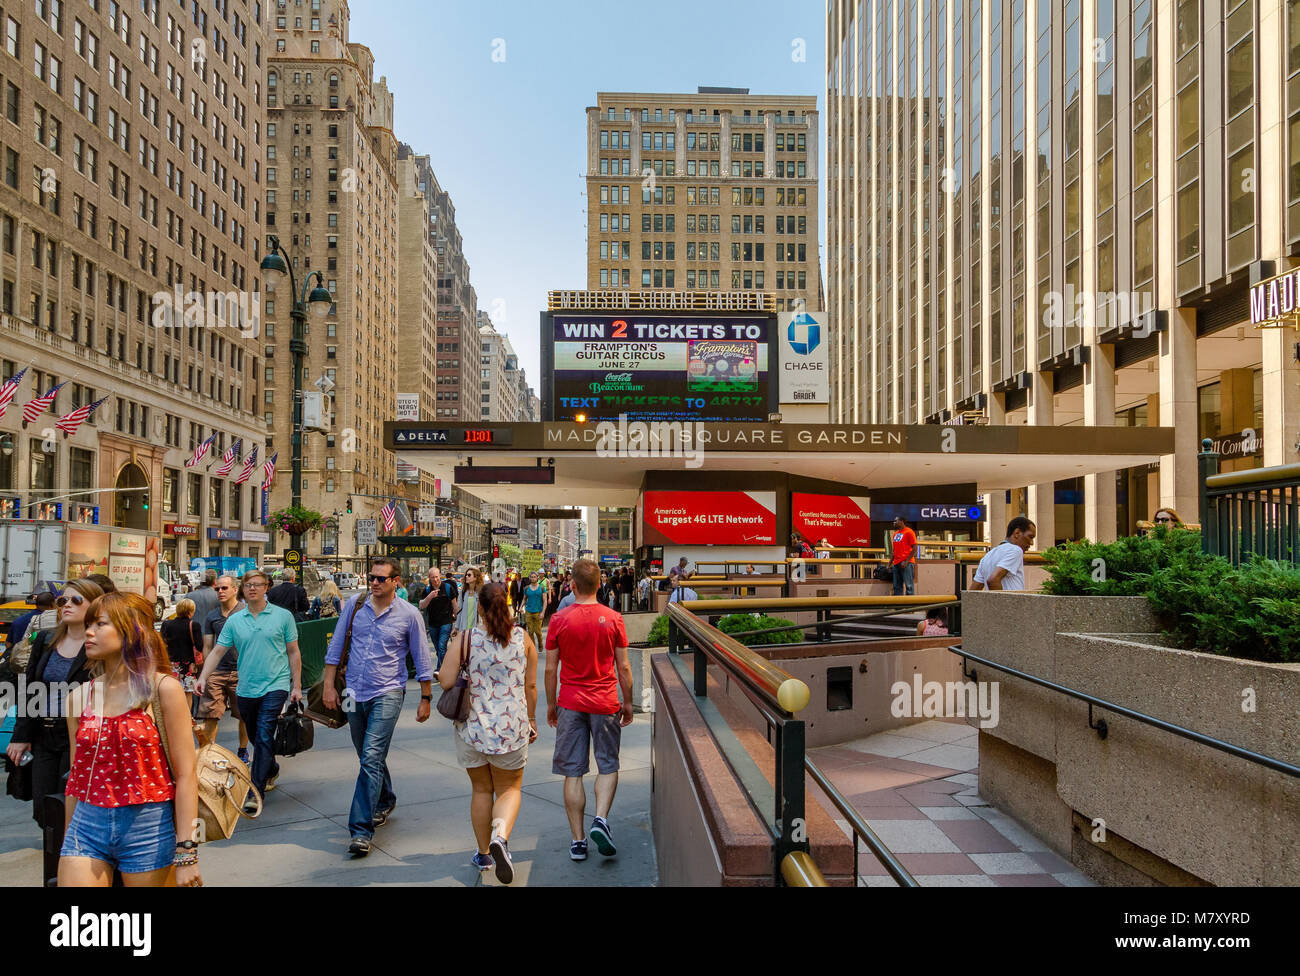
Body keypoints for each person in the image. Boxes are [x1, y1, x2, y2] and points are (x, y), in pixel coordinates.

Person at [59, 591, 202, 887]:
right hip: (87, 823)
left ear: (131, 631)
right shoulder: (78, 698)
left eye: (100, 624)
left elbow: (187, 775)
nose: (89, 631)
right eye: (89, 624)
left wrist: (187, 852)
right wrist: (67, 837)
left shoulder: (163, 690)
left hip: (148, 825)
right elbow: (77, 776)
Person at [323, 557, 433, 857]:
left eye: (381, 578)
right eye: (372, 577)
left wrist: (425, 698)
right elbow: (335, 648)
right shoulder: (355, 606)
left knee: (371, 756)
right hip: (353, 692)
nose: (373, 582)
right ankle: (384, 799)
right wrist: (329, 685)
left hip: (388, 692)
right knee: (366, 754)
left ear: (395, 581)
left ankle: (360, 830)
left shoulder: (409, 615)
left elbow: (422, 658)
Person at [439, 581, 538, 884]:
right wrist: (531, 719)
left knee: (481, 790)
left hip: (473, 729)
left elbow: (445, 680)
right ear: (507, 605)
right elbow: (531, 686)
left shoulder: (465, 639)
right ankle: (500, 836)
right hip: (511, 729)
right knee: (510, 789)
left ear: (479, 608)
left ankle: (484, 854)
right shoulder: (523, 638)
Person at [544, 558, 634, 862]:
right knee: (607, 764)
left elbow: (550, 668)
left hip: (570, 701)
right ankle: (601, 819)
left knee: (573, 771)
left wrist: (550, 705)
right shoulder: (613, 618)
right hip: (605, 700)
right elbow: (623, 666)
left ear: (571, 585)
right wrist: (630, 702)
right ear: (599, 585)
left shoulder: (558, 619)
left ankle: (578, 841)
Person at [195, 569, 302, 807]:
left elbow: (293, 652)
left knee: (264, 734)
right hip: (246, 688)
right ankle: (271, 766)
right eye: (248, 585)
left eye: (257, 584)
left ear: (267, 588)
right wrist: (203, 676)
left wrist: (297, 685)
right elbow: (218, 651)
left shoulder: (283, 616)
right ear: (242, 590)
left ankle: (255, 791)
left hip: (276, 684)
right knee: (256, 736)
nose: (252, 588)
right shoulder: (235, 620)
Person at [5, 579, 104, 832]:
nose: (67, 605)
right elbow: (28, 687)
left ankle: (68, 863)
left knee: (71, 806)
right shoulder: (47, 639)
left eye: (76, 600)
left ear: (94, 605)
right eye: (63, 601)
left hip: (79, 735)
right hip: (43, 734)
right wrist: (21, 736)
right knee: (43, 807)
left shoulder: (99, 643)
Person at [197, 576, 249, 760]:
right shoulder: (212, 616)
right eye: (217, 589)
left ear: (235, 589)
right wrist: (204, 673)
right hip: (217, 671)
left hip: (241, 672)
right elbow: (207, 646)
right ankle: (208, 753)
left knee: (243, 715)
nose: (220, 592)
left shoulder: (245, 612)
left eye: (224, 588)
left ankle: (243, 751)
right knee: (209, 714)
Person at [970, 517, 1038, 592]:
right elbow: (993, 580)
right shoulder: (1016, 550)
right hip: (1011, 602)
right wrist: (1001, 603)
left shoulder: (987, 556)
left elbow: (972, 591)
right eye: (1030, 537)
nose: (1032, 543)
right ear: (1017, 533)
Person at [160, 599, 203, 711]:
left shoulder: (167, 624)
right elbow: (199, 645)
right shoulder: (194, 625)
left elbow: (162, 642)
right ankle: (187, 717)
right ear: (191, 611)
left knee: (172, 691)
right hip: (188, 664)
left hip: (171, 663)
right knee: (187, 693)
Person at [420, 567, 460, 670]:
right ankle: (441, 667)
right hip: (433, 624)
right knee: (438, 649)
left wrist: (457, 624)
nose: (435, 579)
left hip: (446, 622)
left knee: (442, 646)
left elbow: (455, 606)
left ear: (440, 576)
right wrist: (429, 597)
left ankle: (442, 670)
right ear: (429, 577)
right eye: (432, 577)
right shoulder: (427, 590)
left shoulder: (448, 588)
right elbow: (421, 605)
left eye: (437, 577)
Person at [889, 516, 918, 597]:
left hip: (906, 563)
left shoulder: (909, 532)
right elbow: (894, 551)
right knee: (897, 587)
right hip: (896, 563)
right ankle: (899, 608)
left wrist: (907, 561)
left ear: (902, 521)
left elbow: (915, 548)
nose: (893, 522)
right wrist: (889, 563)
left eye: (895, 521)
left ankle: (910, 608)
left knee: (909, 586)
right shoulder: (895, 534)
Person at [523, 573, 547, 651]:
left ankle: (540, 644)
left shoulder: (542, 588)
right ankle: (532, 648)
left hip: (538, 612)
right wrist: (520, 607)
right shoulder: (526, 588)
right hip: (528, 612)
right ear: (529, 578)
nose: (533, 578)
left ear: (537, 578)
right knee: (530, 631)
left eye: (534, 577)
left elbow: (545, 601)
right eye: (531, 577)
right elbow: (524, 599)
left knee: (538, 632)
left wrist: (543, 612)